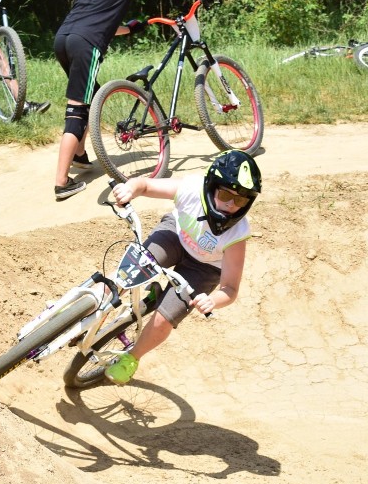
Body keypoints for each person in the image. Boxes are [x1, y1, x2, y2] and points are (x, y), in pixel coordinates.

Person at [52, 0, 225, 200]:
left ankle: (81, 157)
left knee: (92, 97)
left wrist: (130, 28)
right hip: (86, 45)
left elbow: (97, 20)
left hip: (64, 39)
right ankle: (62, 182)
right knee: (77, 109)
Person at [104, 150, 262, 384]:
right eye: (225, 195)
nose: (230, 205)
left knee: (164, 319)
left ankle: (131, 358)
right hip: (175, 236)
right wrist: (131, 188)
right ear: (211, 186)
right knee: (127, 272)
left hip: (204, 269)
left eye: (239, 200)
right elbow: (146, 185)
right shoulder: (192, 189)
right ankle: (80, 308)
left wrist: (213, 300)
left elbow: (230, 288)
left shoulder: (237, 234)